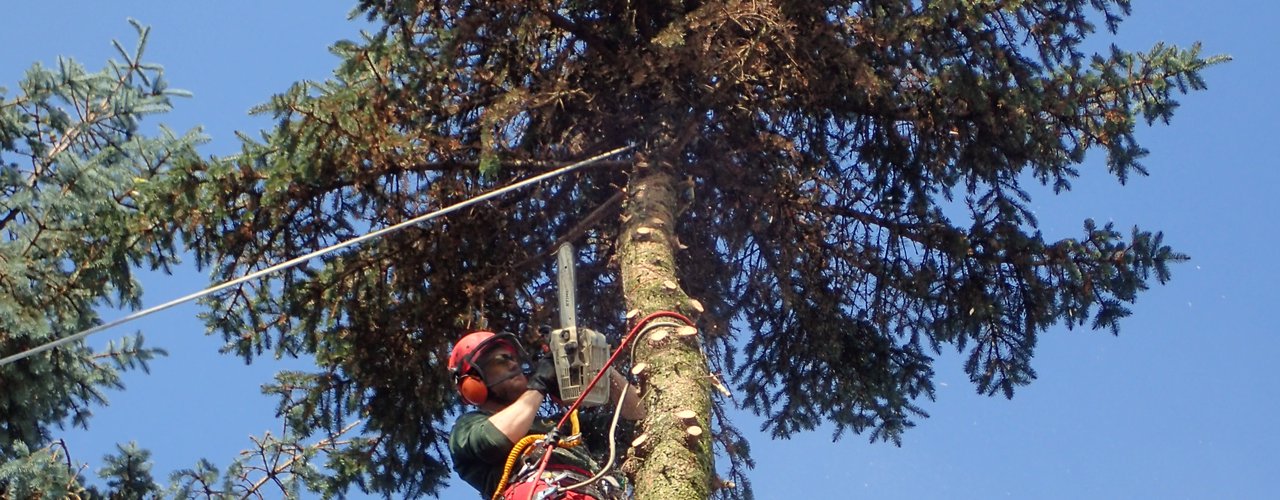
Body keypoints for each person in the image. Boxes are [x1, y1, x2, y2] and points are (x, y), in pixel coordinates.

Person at [448, 331, 646, 500]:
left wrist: (602, 368)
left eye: (513, 358)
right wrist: (540, 384)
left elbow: (637, 421)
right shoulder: (467, 427)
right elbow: (495, 440)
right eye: (499, 361)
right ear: (473, 382)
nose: (513, 365)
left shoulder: (560, 425)